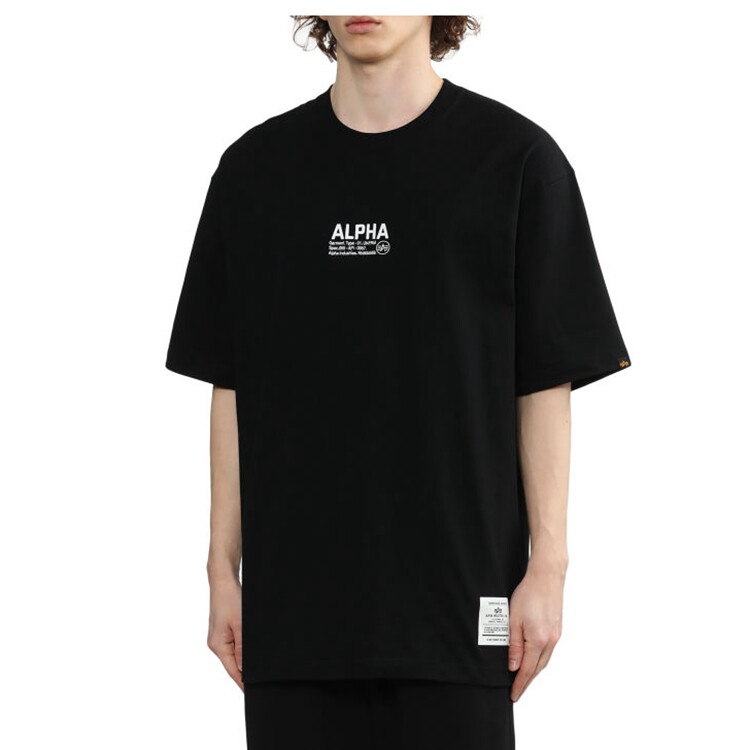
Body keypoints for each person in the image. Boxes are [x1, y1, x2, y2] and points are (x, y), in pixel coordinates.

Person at [165, 15, 632, 750]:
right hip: (295, 620)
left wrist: (549, 565)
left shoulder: (515, 161)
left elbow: (544, 382)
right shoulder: (254, 171)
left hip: (460, 607)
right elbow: (231, 382)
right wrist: (221, 569)